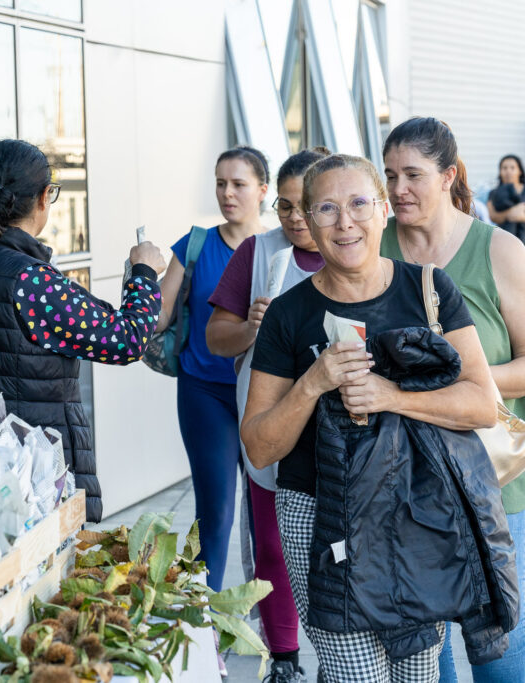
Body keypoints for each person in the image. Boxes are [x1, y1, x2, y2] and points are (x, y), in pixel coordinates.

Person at [242, 153, 509, 682]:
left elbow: (481, 404)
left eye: (359, 203)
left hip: (417, 506)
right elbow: (259, 446)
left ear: (383, 210)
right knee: (355, 673)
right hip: (319, 512)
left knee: (418, 671)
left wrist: (391, 395)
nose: (346, 222)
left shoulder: (429, 291)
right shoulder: (287, 314)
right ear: (308, 221)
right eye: (326, 209)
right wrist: (313, 382)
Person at [380, 117, 525, 683]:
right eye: (389, 175)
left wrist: (462, 383)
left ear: (448, 175)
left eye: (413, 174)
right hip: (401, 471)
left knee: (498, 624)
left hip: (490, 472)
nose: (398, 188)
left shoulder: (498, 250)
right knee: (425, 628)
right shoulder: (374, 245)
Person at [0, 139, 166, 523]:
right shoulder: (31, 281)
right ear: (41, 198)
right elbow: (127, 340)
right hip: (29, 482)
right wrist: (145, 274)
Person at [205, 147, 329, 683]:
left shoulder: (359, 248)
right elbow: (216, 338)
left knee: (340, 548)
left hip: (344, 431)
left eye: (307, 205)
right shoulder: (257, 253)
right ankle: (284, 658)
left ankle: (340, 656)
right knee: (274, 546)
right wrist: (251, 327)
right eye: (284, 206)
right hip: (270, 426)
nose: (295, 218)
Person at [156, 145, 270, 595]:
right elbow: (159, 317)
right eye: (220, 183)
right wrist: (139, 278)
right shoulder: (195, 245)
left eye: (239, 183)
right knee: (216, 512)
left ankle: (272, 627)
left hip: (264, 394)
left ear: (262, 190)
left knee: (268, 516)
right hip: (205, 392)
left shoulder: (279, 248)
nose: (227, 193)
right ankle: (204, 622)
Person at [486, 155, 525, 244]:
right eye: (504, 168)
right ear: (500, 171)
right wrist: (510, 213)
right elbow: (493, 217)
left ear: (520, 171)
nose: (508, 171)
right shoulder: (493, 193)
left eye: (512, 168)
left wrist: (522, 217)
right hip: (503, 242)